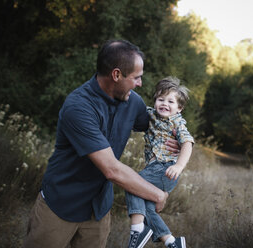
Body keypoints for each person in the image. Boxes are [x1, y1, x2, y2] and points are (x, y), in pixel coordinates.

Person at [23, 39, 180, 248]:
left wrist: (177, 140)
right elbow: (111, 169)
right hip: (60, 206)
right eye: (136, 78)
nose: (140, 84)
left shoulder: (132, 102)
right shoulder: (78, 107)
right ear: (116, 75)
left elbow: (157, 126)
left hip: (98, 211)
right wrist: (157, 194)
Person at [125, 77, 194, 248]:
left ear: (179, 108)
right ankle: (171, 241)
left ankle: (138, 229)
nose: (165, 104)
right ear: (155, 100)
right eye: (160, 99)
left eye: (171, 101)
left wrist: (178, 165)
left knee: (131, 183)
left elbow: (187, 143)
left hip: (165, 169)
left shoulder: (176, 122)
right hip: (155, 170)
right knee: (148, 207)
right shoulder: (150, 114)